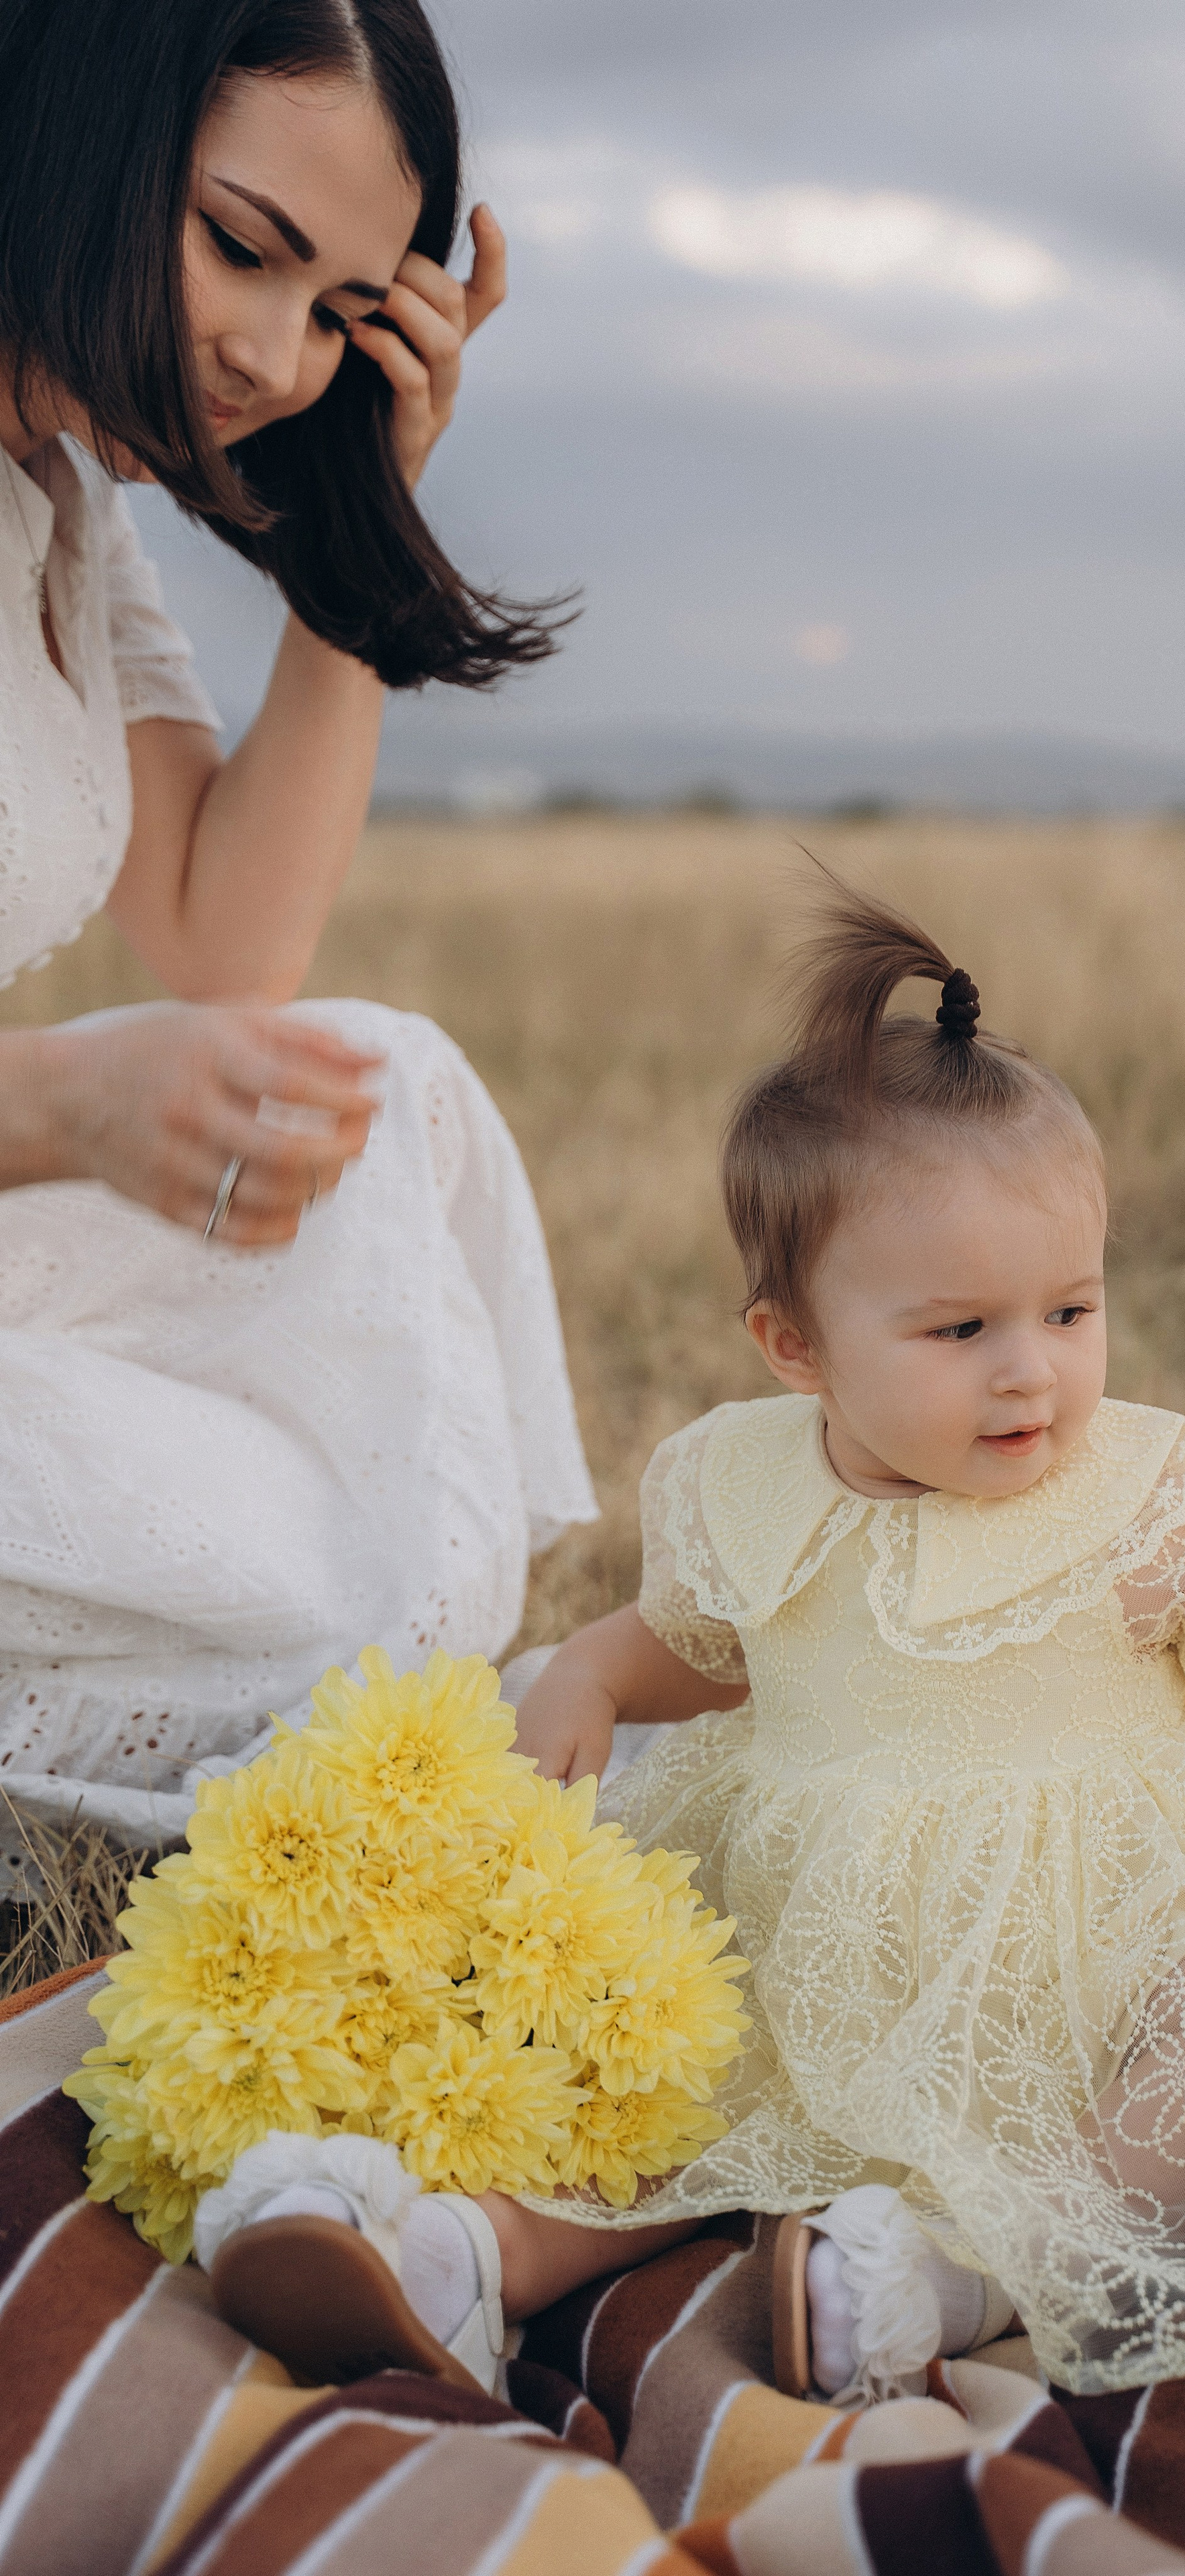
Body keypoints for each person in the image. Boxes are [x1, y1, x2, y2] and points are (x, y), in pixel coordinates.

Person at [200, 877, 1185, 2404]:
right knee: (659, 2082)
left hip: (1103, 1947)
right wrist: (596, 1670)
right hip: (823, 1934)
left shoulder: (1140, 1500)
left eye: (1069, 1312)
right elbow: (711, 1643)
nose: (1031, 1375)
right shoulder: (748, 1483)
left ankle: (985, 2260)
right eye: (961, 1331)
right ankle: (461, 2259)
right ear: (795, 1346)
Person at [0, 0, 594, 1878]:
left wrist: (365, 515)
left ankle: (346, 1684)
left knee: (382, 1087)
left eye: (340, 309)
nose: (273, 356)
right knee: (286, 1570)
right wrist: (62, 1105)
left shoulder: (58, 503)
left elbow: (227, 942)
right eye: (240, 246)